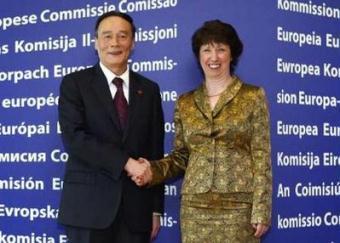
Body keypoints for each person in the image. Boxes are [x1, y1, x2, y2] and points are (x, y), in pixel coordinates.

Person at [134, 20, 272, 243]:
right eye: (207, 49)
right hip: (195, 208)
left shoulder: (252, 96)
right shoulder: (185, 102)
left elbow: (261, 155)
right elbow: (181, 157)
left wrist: (261, 209)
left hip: (239, 207)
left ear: (232, 54)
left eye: (221, 49)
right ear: (199, 56)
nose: (214, 57)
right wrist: (152, 170)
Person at [57, 11, 164, 243]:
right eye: (107, 36)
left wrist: (155, 210)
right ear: (96, 43)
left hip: (136, 212)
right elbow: (75, 139)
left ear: (133, 43)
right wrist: (126, 163)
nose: (114, 43)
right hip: (88, 210)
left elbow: (155, 151)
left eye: (122, 36)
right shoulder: (74, 84)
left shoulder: (150, 89)